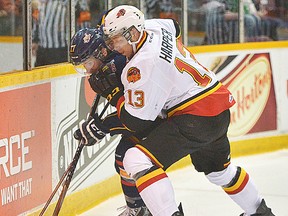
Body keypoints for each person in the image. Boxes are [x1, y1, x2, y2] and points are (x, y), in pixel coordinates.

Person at [81, 5, 274, 216]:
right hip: (217, 106)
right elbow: (175, 27)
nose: (112, 47)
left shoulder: (143, 65)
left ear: (133, 33)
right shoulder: (153, 27)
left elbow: (136, 122)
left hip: (195, 117)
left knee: (134, 159)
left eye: (116, 40)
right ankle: (261, 212)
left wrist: (113, 94)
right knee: (220, 172)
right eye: (109, 41)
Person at [69, 27, 153, 216]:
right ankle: (143, 208)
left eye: (88, 63)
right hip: (150, 116)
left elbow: (142, 115)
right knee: (123, 159)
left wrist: (102, 126)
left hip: (167, 116)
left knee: (126, 156)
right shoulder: (112, 65)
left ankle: (142, 209)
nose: (88, 70)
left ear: (103, 52)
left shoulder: (126, 64)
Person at [32, 0, 91, 67]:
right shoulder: (43, 2)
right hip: (42, 50)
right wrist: (35, 40)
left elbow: (85, 27)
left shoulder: (78, 2)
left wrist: (82, 47)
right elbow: (37, 20)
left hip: (63, 50)